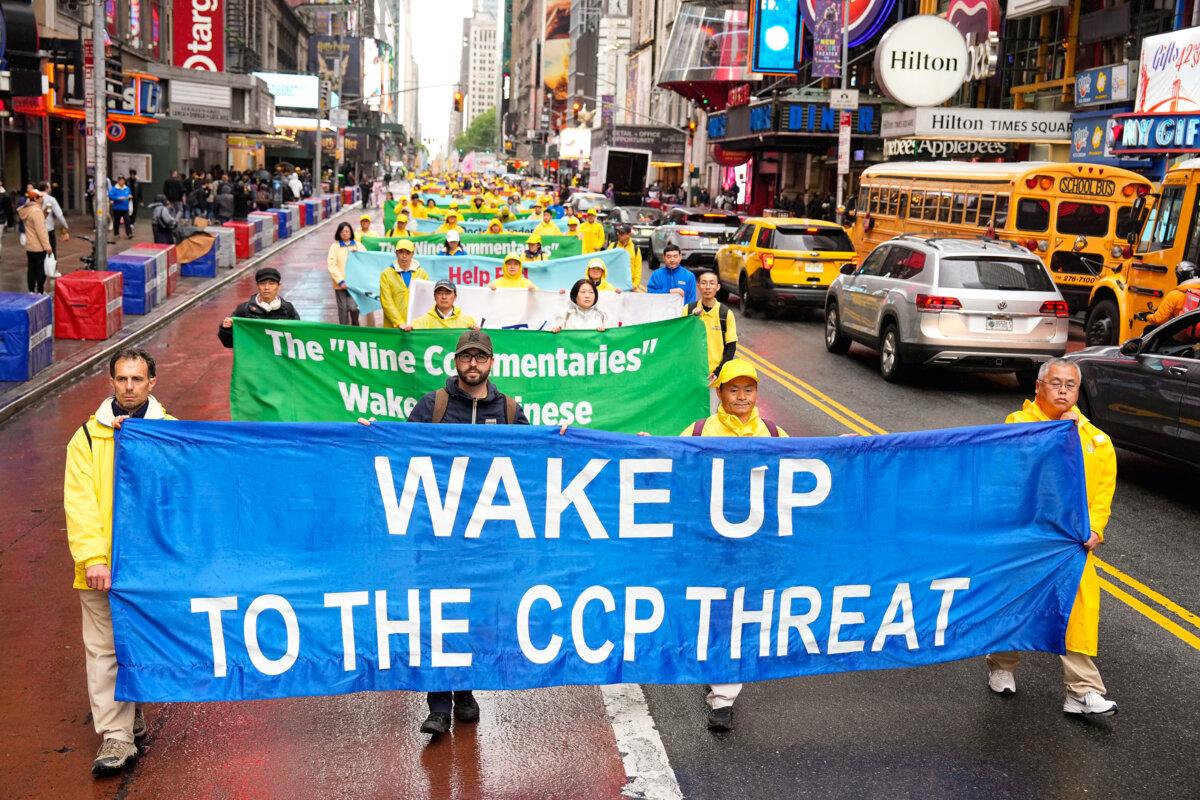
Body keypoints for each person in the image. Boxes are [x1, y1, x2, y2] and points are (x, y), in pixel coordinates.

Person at [406, 330, 529, 734]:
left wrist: (561, 441)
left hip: (486, 536)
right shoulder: (433, 405)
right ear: (455, 362)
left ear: (491, 363)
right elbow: (400, 450)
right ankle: (439, 706)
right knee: (438, 615)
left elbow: (533, 460)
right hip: (437, 534)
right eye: (465, 357)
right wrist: (370, 433)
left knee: (476, 614)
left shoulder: (509, 409)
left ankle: (467, 691)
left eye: (480, 357)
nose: (472, 364)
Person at [986, 358, 1118, 717]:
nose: (1063, 390)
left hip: (1068, 544)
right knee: (1016, 602)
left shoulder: (1096, 440)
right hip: (1026, 536)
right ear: (1038, 388)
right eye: (1055, 383)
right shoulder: (1019, 425)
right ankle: (1002, 665)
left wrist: (1095, 529)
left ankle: (1082, 690)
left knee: (1078, 607)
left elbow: (1102, 494)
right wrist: (1061, 435)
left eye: (1070, 385)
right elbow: (1022, 466)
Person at [64, 348, 174, 774]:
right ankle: (115, 736)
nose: (129, 387)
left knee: (144, 643)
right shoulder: (88, 437)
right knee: (104, 649)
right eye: (122, 379)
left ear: (152, 383)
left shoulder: (171, 432)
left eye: (137, 379)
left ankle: (131, 711)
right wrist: (93, 558)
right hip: (103, 566)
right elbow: (80, 503)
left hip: (152, 568)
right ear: (111, 382)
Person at [679, 358, 785, 731]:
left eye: (748, 389)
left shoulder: (773, 433)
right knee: (713, 612)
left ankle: (722, 691)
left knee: (737, 613)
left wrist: (846, 450)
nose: (741, 396)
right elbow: (666, 465)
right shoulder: (697, 430)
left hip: (753, 546)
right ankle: (718, 683)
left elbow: (813, 460)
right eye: (733, 389)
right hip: (708, 544)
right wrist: (641, 447)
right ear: (720, 393)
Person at [217, 267, 300, 348]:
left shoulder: (288, 309)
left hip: (279, 361)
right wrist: (226, 329)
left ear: (279, 286)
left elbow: (298, 338)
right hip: (253, 360)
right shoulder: (244, 310)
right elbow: (228, 343)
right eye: (262, 283)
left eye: (271, 283)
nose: (267, 288)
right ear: (257, 286)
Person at [689, 270, 738, 383]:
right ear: (698, 286)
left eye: (712, 283)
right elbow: (681, 341)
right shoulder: (688, 310)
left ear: (718, 287)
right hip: (692, 376)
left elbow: (731, 348)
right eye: (704, 283)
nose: (707, 287)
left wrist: (718, 372)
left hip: (715, 379)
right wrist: (692, 318)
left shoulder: (725, 313)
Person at [379, 240, 429, 328]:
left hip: (416, 327)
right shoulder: (386, 274)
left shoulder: (422, 274)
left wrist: (417, 323)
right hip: (393, 327)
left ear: (413, 254)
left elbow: (425, 301)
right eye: (401, 252)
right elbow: (386, 302)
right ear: (396, 253)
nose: (404, 256)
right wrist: (399, 322)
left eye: (408, 253)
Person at [1136, 261, 1200, 327]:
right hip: (1193, 335)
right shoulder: (1197, 293)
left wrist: (1146, 316)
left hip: (1178, 334)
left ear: (1181, 277)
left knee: (1148, 329)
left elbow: (1158, 319)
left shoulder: (1175, 295)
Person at [327, 222, 362, 326]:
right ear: (339, 233)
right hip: (340, 285)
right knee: (343, 310)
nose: (345, 233)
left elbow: (365, 261)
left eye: (347, 231)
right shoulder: (334, 247)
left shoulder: (358, 246)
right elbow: (331, 265)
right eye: (342, 231)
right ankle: (344, 333)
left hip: (354, 285)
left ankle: (356, 329)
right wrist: (340, 281)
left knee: (354, 308)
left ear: (351, 232)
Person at [19, 186, 53, 292]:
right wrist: (48, 246)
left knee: (31, 269)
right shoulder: (36, 212)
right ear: (36, 199)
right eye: (41, 197)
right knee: (40, 271)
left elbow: (35, 223)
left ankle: (31, 291)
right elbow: (41, 231)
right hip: (39, 247)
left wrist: (46, 212)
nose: (43, 199)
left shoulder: (29, 210)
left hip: (30, 246)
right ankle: (40, 291)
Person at [408, 280, 479, 330]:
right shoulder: (420, 322)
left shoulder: (468, 321)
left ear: (455, 297)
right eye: (440, 293)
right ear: (434, 296)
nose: (444, 297)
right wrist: (406, 333)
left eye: (448, 293)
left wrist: (477, 334)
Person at [38, 181, 69, 256]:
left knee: (39, 251)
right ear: (46, 188)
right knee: (51, 252)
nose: (51, 188)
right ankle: (52, 267)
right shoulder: (51, 199)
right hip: (48, 229)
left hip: (37, 229)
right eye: (49, 187)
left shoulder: (31, 198)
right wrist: (65, 226)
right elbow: (59, 215)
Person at [609, 224, 643, 290]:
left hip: (629, 286)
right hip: (614, 286)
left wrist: (635, 284)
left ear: (629, 234)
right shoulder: (612, 246)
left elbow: (638, 268)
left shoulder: (635, 249)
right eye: (618, 232)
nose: (619, 235)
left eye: (622, 233)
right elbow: (606, 264)